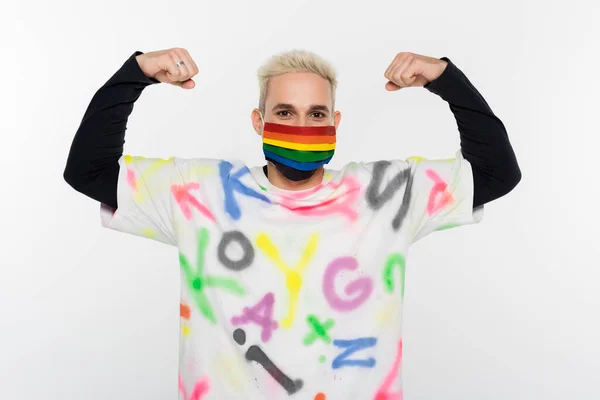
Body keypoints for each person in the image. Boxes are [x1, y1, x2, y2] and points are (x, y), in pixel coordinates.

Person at [64, 47, 521, 399]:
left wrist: (445, 78)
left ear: (335, 123)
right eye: (285, 113)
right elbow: (88, 170)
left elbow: (498, 173)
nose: (302, 125)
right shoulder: (201, 191)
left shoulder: (385, 194)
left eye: (316, 114)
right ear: (259, 122)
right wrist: (137, 71)